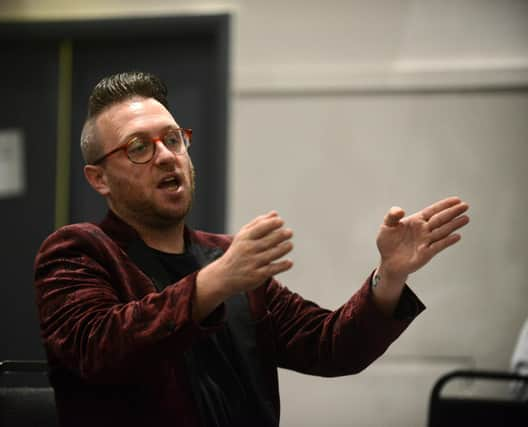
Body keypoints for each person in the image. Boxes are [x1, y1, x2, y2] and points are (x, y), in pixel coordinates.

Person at [33, 71, 470, 427]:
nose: (166, 156)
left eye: (172, 139)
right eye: (138, 147)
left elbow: (332, 346)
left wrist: (389, 276)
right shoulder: (79, 251)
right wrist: (215, 282)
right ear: (99, 178)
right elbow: (100, 349)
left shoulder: (226, 257)